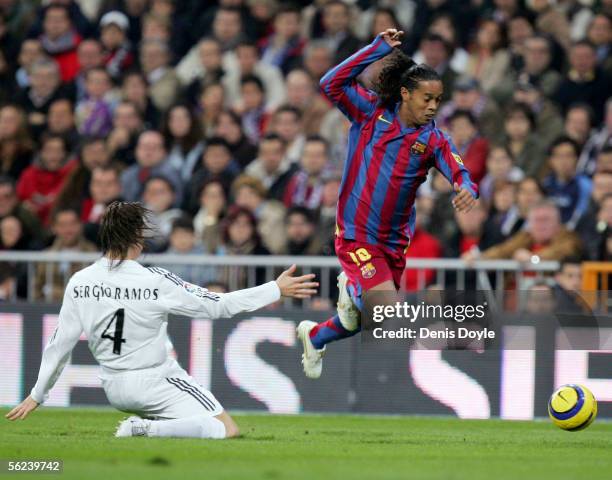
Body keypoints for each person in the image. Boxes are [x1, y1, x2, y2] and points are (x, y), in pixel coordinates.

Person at [5, 201, 318, 439]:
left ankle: (148, 424)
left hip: (112, 385)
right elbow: (217, 306)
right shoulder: (154, 280)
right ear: (137, 238)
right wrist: (274, 288)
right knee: (224, 428)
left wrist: (37, 394)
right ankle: (142, 429)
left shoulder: (80, 281)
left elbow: (60, 344)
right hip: (154, 380)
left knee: (183, 419)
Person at [296, 29, 478, 379]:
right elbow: (330, 82)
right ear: (406, 93)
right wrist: (376, 49)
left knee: (367, 320)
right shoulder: (370, 112)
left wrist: (465, 185)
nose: (432, 107)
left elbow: (459, 168)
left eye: (438, 101)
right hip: (356, 234)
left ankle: (316, 336)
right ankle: (350, 288)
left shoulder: (433, 140)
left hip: (393, 244)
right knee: (385, 312)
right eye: (426, 99)